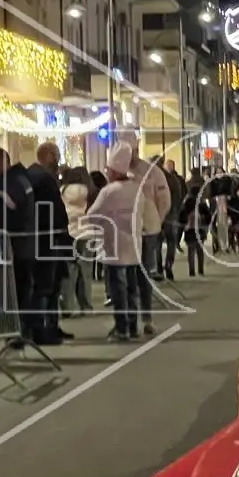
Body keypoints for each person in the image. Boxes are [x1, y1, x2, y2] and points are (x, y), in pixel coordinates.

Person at [0, 147, 40, 343]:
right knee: (17, 291)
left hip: (16, 246)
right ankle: (17, 330)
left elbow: (10, 207)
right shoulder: (18, 179)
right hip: (19, 245)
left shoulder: (12, 182)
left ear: (4, 162)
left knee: (16, 291)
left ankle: (16, 331)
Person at [86, 143, 144, 342]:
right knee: (131, 289)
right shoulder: (137, 189)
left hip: (114, 248)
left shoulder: (109, 192)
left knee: (118, 291)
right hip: (134, 247)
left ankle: (122, 328)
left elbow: (92, 215)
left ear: (113, 170)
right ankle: (133, 325)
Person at [27, 142, 72, 344]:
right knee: (46, 286)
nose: (58, 159)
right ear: (47, 156)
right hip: (47, 239)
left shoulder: (37, 176)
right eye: (56, 155)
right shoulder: (41, 178)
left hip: (49, 238)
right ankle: (42, 328)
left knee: (52, 286)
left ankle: (51, 325)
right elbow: (51, 209)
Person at [115, 130, 171, 280]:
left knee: (143, 269)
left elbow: (164, 200)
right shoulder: (117, 171)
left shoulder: (152, 171)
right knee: (128, 271)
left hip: (147, 228)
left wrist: (156, 220)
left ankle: (143, 298)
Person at [59, 165, 95, 314]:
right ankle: (85, 305)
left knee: (70, 271)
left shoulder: (63, 190)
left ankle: (67, 305)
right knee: (85, 271)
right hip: (87, 234)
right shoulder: (90, 191)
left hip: (69, 233)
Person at [179, 168, 213, 277]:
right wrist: (207, 224)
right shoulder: (201, 201)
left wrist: (182, 223)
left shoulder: (187, 201)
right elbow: (208, 215)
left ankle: (191, 271)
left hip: (189, 229)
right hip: (200, 228)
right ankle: (201, 269)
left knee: (191, 250)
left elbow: (182, 215)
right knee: (199, 249)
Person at [163, 158, 187, 280]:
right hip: (170, 214)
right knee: (170, 241)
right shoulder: (176, 180)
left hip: (167, 214)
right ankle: (167, 265)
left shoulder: (174, 180)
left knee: (162, 242)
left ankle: (161, 267)